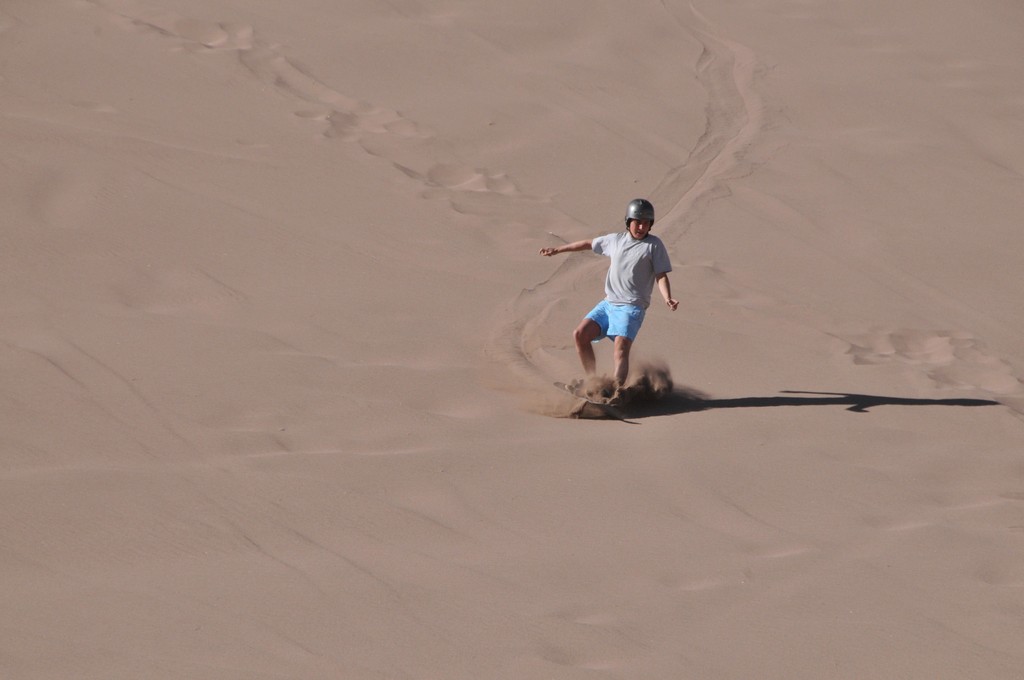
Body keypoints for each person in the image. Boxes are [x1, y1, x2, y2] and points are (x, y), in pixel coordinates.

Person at [539, 198, 678, 387]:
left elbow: (661, 275)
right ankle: (593, 383)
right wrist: (557, 250)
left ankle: (616, 392)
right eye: (638, 222)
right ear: (628, 221)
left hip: (631, 307)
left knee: (621, 348)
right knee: (580, 334)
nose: (641, 227)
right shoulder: (615, 240)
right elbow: (588, 244)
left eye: (646, 223)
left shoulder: (654, 245)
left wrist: (667, 297)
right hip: (608, 304)